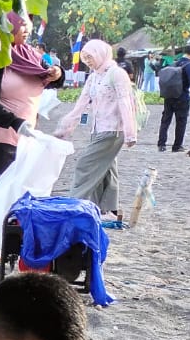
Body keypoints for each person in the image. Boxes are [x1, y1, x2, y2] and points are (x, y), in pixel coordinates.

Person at [0, 12, 63, 262]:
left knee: (11, 193)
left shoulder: (29, 55)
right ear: (7, 27)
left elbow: (49, 78)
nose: (26, 30)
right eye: (21, 26)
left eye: (28, 26)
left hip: (24, 138)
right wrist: (14, 122)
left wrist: (58, 73)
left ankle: (1, 240)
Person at [57, 39, 138, 224]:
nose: (88, 61)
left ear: (100, 54)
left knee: (85, 165)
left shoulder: (117, 74)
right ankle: (108, 211)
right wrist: (66, 127)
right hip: (98, 129)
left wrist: (130, 133)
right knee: (106, 169)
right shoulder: (94, 76)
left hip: (113, 130)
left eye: (90, 57)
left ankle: (74, 206)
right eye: (85, 58)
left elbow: (126, 102)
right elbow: (82, 103)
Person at [156, 45, 190, 152]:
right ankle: (177, 146)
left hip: (169, 96)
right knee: (181, 122)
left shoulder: (174, 63)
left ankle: (161, 144)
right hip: (182, 97)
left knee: (165, 120)